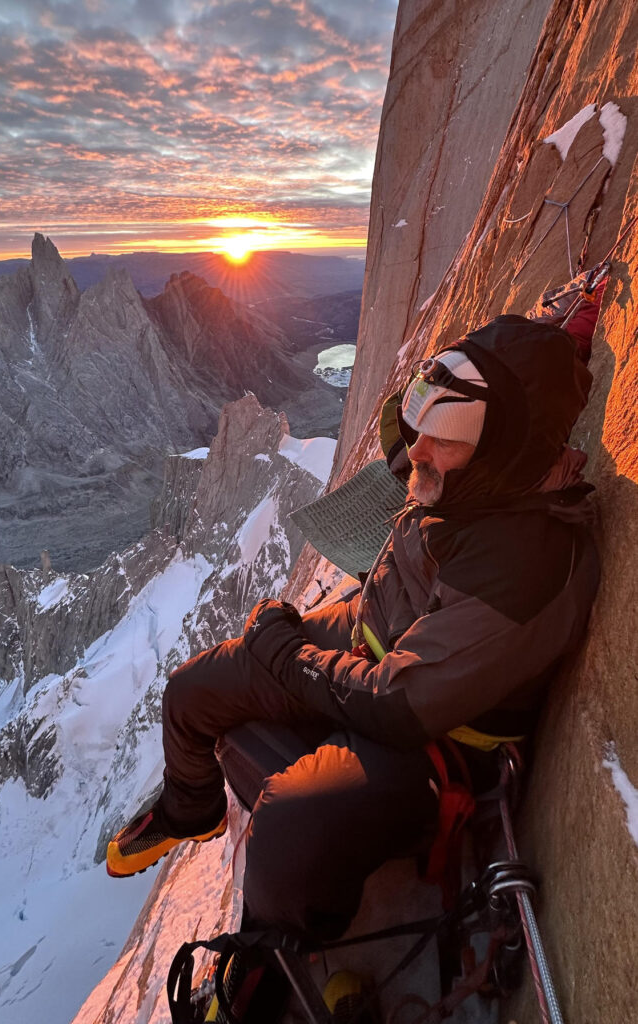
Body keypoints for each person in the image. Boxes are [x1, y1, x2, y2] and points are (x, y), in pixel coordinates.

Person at [106, 314, 599, 943]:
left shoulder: (526, 561)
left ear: (506, 447)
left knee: (291, 832)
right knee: (192, 689)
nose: (418, 446)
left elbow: (402, 705)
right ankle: (191, 810)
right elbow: (515, 386)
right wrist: (569, 334)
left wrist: (287, 656)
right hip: (372, 632)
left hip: (441, 737)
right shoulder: (471, 479)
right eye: (424, 415)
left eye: (445, 431)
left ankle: (269, 964)